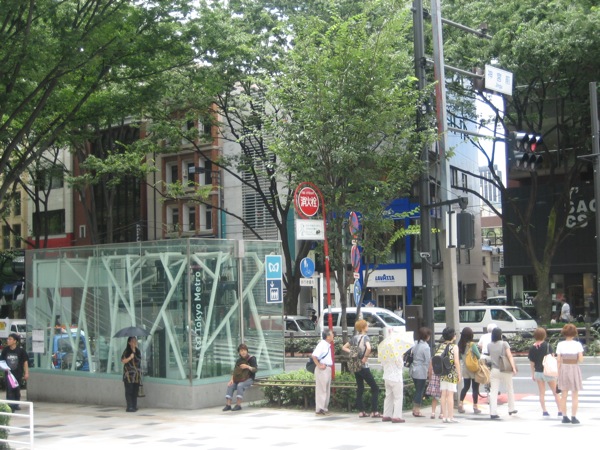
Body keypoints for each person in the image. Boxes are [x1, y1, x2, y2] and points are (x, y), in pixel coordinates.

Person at [342, 319, 380, 418]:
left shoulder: (354, 337)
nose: (368, 327)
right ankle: (374, 411)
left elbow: (344, 347)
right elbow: (369, 348)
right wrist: (365, 357)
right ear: (363, 327)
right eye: (366, 325)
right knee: (375, 388)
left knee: (360, 388)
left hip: (356, 365)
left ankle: (361, 411)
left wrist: (353, 352)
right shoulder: (365, 337)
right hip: (363, 366)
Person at [528, 327, 562, 417]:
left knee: (542, 393)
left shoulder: (532, 348)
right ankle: (560, 410)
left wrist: (532, 374)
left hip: (538, 372)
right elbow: (552, 357)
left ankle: (544, 411)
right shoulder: (547, 345)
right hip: (548, 372)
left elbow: (531, 363)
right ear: (544, 335)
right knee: (555, 392)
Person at [556, 323, 584, 424]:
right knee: (575, 395)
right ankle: (574, 417)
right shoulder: (577, 344)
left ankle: (564, 416)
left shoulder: (560, 344)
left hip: (564, 368)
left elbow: (558, 360)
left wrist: (558, 372)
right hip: (574, 368)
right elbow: (580, 359)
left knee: (564, 395)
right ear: (574, 333)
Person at [487, 327, 517, 419]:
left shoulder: (489, 345)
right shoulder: (504, 344)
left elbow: (490, 356)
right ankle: (511, 408)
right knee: (509, 388)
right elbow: (509, 356)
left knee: (493, 392)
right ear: (500, 335)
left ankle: (493, 412)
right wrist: (513, 367)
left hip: (494, 370)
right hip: (505, 369)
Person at [378, 330, 405, 423]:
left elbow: (382, 364)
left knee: (388, 396)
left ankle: (386, 415)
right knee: (398, 397)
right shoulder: (397, 351)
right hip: (396, 378)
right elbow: (400, 365)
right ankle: (396, 416)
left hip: (387, 376)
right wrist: (401, 357)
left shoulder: (384, 351)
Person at [223, 343, 258, 411]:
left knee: (240, 385)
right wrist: (231, 380)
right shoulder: (239, 361)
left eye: (244, 350)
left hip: (249, 378)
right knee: (230, 385)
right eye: (241, 351)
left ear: (247, 351)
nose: (243, 352)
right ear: (239, 352)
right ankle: (228, 405)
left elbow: (255, 370)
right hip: (239, 379)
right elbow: (234, 371)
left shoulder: (252, 358)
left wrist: (247, 367)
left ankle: (238, 405)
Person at [0, 333, 29, 412]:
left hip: (18, 373)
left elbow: (25, 362)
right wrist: (4, 367)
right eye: (8, 339)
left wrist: (26, 373)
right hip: (8, 374)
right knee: (9, 389)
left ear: (15, 341)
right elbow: (2, 361)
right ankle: (11, 405)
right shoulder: (5, 350)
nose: (8, 340)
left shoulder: (21, 351)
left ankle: (16, 404)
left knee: (16, 389)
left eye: (10, 339)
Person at [438, 327, 461, 423]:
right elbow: (456, 362)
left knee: (443, 394)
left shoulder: (441, 346)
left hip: (442, 372)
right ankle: (451, 417)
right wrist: (459, 374)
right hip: (451, 372)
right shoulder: (454, 347)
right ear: (452, 336)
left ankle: (444, 416)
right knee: (450, 394)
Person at [458, 327, 481, 414]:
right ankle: (475, 406)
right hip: (473, 368)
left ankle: (460, 404)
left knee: (466, 387)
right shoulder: (472, 345)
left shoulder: (460, 344)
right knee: (475, 388)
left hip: (465, 369)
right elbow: (478, 356)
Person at [410, 327, 431, 417]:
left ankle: (414, 408)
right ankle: (417, 410)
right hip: (421, 371)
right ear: (426, 336)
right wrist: (429, 372)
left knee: (417, 389)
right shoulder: (426, 347)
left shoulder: (415, 343)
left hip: (413, 370)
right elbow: (427, 360)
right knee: (420, 391)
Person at [312, 329, 334, 415]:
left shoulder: (327, 345)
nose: (333, 336)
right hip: (322, 370)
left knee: (326, 390)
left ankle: (324, 408)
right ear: (327, 337)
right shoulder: (322, 344)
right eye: (332, 334)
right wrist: (319, 365)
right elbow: (314, 356)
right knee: (322, 390)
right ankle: (320, 409)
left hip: (327, 368)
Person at [121, 336, 142, 412]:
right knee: (129, 390)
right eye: (132, 341)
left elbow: (139, 361)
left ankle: (134, 406)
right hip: (129, 375)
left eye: (135, 341)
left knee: (135, 391)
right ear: (129, 342)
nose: (134, 343)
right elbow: (123, 361)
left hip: (136, 375)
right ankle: (129, 406)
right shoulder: (127, 351)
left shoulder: (138, 351)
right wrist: (130, 357)